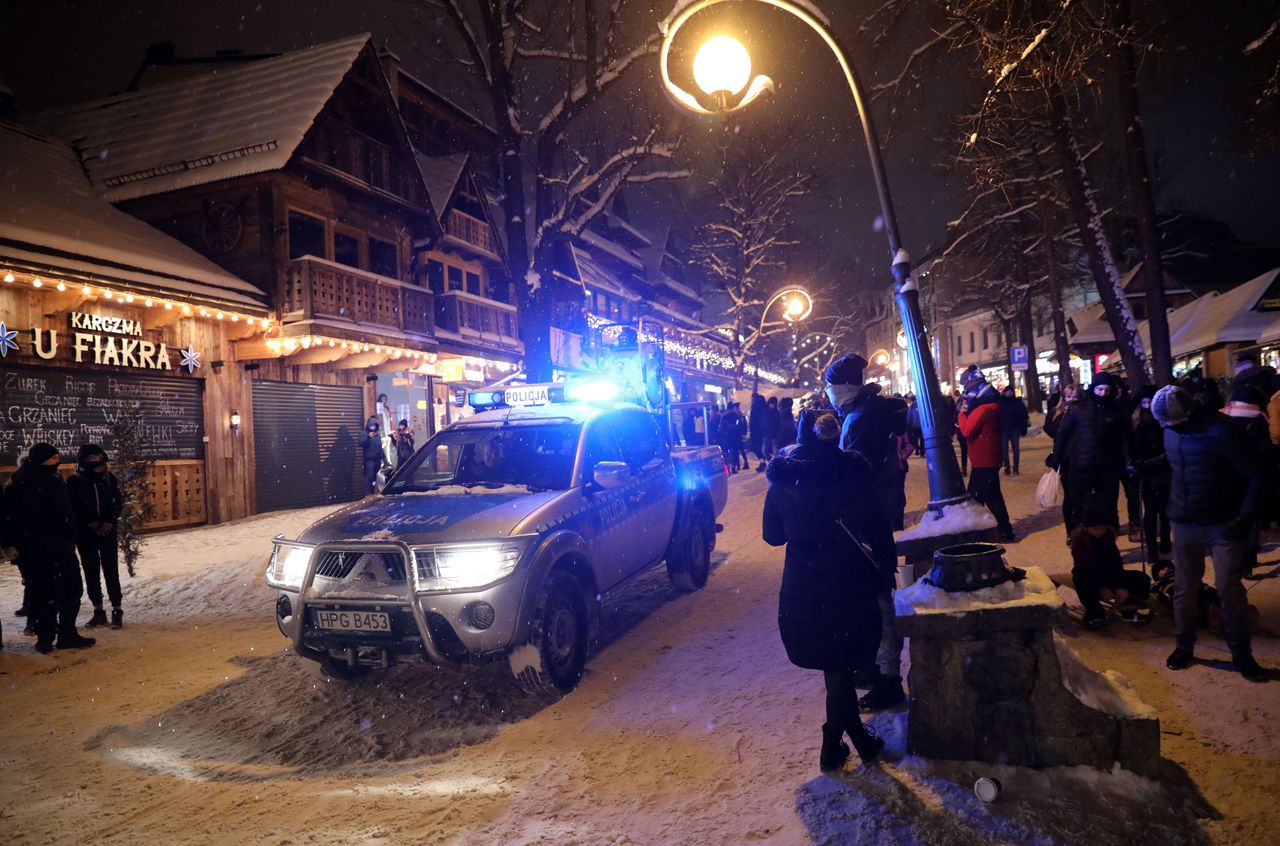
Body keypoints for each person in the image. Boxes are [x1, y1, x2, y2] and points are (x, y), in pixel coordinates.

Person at [763, 408, 890, 770]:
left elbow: (773, 536)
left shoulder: (785, 478)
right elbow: (877, 526)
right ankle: (840, 743)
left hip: (805, 582)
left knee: (835, 666)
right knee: (841, 665)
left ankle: (839, 744)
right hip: (850, 579)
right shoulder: (853, 471)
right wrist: (885, 563)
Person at [1151, 385, 1268, 682]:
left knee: (1229, 589)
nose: (1164, 426)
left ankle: (1242, 653)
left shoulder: (1223, 431)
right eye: (1161, 422)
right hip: (1183, 519)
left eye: (1169, 421)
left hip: (1222, 521)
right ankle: (1184, 645)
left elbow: (1256, 473)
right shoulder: (1170, 429)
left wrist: (1246, 515)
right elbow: (1180, 460)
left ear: (1187, 413)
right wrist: (1147, 467)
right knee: (1184, 587)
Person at [823, 353, 908, 711]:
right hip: (873, 515)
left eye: (830, 386)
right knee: (874, 597)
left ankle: (889, 679)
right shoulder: (863, 414)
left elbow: (854, 474)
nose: (828, 393)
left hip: (870, 519)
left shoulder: (861, 420)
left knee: (880, 599)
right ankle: (877, 668)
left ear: (843, 388)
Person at [4, 444, 95, 653]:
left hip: (30, 548)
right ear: (44, 460)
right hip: (56, 547)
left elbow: (11, 518)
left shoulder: (17, 480)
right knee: (71, 590)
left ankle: (44, 639)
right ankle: (67, 634)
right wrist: (71, 535)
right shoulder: (51, 482)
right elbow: (63, 515)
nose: (57, 462)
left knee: (42, 593)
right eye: (54, 458)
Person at [1051, 373, 1128, 537]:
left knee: (1108, 504)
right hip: (1081, 465)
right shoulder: (1077, 408)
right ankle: (1080, 538)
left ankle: (1109, 539)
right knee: (1079, 504)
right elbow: (1062, 433)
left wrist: (1127, 460)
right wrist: (1057, 457)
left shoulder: (1115, 410)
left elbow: (1123, 438)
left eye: (1107, 390)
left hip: (1107, 466)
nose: (1103, 394)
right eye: (1100, 389)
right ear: (1093, 388)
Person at [1070, 495, 1152, 628]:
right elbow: (1087, 566)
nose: (1099, 532)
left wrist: (1121, 585)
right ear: (1087, 528)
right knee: (1083, 582)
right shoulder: (1080, 542)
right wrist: (1102, 587)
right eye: (1095, 528)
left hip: (1108, 574)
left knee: (1141, 579)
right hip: (1089, 575)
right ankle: (1095, 613)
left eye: (1102, 527)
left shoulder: (1108, 538)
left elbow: (1116, 563)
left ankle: (1129, 609)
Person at [66, 444, 124, 630]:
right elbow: (72, 508)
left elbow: (117, 502)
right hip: (86, 534)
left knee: (111, 570)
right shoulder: (73, 482)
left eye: (98, 457)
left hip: (108, 532)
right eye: (91, 457)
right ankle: (98, 610)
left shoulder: (109, 478)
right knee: (91, 571)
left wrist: (109, 521)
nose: (96, 461)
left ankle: (117, 609)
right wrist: (90, 523)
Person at [957, 365, 1016, 542]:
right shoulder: (990, 405)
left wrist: (961, 413)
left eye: (967, 390)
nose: (966, 395)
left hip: (984, 459)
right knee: (977, 496)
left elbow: (967, 430)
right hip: (986, 458)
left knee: (989, 497)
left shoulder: (983, 409)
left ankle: (1003, 530)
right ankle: (984, 529)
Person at [1129, 386, 1172, 563]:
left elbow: (1168, 447)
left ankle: (1165, 540)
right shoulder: (1134, 423)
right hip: (1144, 472)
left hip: (1161, 470)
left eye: (1149, 402)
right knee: (1150, 511)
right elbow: (1129, 446)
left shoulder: (1162, 422)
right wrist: (1133, 464)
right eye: (1144, 402)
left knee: (1164, 510)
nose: (1147, 405)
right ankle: (1152, 548)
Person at [998, 387, 1030, 475]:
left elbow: (1024, 416)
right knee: (1004, 449)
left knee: (1015, 448)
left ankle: (1015, 466)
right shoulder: (1000, 402)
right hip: (1004, 429)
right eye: (1007, 391)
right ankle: (1007, 466)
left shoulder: (1017, 403)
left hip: (1015, 429)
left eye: (1010, 391)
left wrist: (1023, 427)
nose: (1009, 393)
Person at [360, 418, 386, 494]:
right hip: (369, 461)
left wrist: (384, 459)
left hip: (377, 460)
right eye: (371, 426)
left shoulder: (377, 436)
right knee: (369, 478)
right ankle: (368, 494)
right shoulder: (364, 433)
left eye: (374, 426)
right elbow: (361, 443)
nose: (373, 428)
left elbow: (380, 447)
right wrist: (368, 437)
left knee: (376, 478)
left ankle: (375, 493)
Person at [719, 402, 746, 473]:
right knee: (735, 451)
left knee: (729, 451)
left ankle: (731, 467)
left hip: (727, 436)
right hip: (736, 435)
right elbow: (739, 425)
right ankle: (735, 466)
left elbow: (722, 426)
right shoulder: (736, 415)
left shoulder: (724, 416)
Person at [756, 396, 781, 471]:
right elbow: (762, 422)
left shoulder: (777, 413)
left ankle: (777, 466)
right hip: (766, 434)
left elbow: (778, 425)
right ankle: (772, 463)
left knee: (775, 452)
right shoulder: (765, 412)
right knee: (764, 451)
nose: (771, 405)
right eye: (770, 403)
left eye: (773, 404)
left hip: (774, 435)